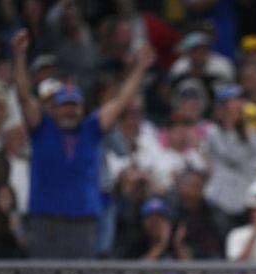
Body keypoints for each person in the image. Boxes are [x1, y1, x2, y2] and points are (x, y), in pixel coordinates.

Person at [10, 28, 154, 258]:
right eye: (65, 105)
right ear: (54, 109)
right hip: (46, 223)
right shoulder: (41, 128)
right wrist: (19, 56)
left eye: (75, 105)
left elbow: (121, 100)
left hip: (84, 225)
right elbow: (23, 96)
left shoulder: (91, 129)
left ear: (82, 108)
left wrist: (140, 68)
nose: (70, 110)